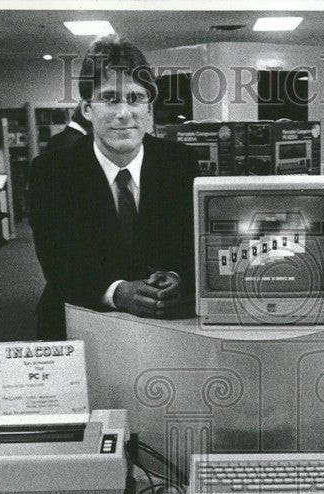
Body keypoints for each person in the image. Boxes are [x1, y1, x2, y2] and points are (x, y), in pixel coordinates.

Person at [29, 35, 200, 340]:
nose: (124, 112)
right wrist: (117, 292)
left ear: (149, 108)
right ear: (86, 108)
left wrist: (179, 277)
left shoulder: (181, 163)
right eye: (109, 98)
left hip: (167, 326)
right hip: (82, 321)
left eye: (135, 98)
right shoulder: (51, 173)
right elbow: (57, 264)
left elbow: (194, 245)